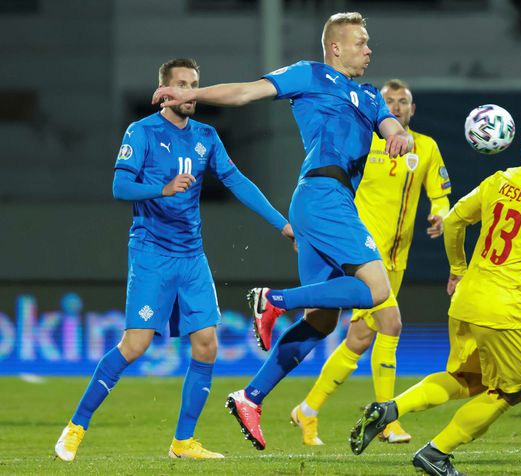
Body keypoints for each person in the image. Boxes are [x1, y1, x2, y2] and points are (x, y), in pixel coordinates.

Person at [153, 12, 412, 451]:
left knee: (323, 319)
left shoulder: (369, 96)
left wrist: (398, 133)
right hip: (323, 198)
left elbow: (390, 126)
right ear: (335, 47)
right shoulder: (308, 74)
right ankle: (272, 300)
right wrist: (191, 92)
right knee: (376, 292)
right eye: (361, 42)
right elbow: (244, 93)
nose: (369, 50)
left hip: (327, 204)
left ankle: (250, 398)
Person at [54, 58, 293, 462]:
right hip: (152, 254)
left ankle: (183, 442)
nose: (189, 91)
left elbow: (237, 181)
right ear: (165, 91)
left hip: (191, 255)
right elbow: (119, 186)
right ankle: (75, 427)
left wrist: (282, 224)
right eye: (181, 84)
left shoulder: (206, 136)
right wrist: (162, 189)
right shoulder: (142, 131)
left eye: (194, 84)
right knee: (135, 345)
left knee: (207, 344)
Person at [349, 114, 521, 475]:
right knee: (512, 392)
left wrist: (458, 268)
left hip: (466, 300)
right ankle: (436, 453)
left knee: (467, 380)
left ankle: (389, 408)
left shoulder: (501, 180)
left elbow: (453, 221)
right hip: (507, 312)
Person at [290, 79, 451, 446]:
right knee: (391, 325)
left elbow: (440, 195)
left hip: (397, 259)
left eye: (403, 101)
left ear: (413, 109)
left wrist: (441, 215)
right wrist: (312, 230)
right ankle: (387, 418)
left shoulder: (426, 148)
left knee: (360, 339)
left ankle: (308, 411)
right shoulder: (363, 142)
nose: (395, 107)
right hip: (361, 258)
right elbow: (325, 187)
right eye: (388, 101)